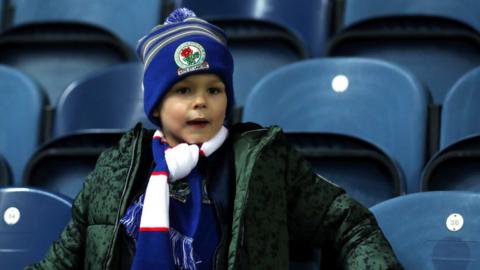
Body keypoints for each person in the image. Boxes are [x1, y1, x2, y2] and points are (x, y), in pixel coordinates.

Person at [27, 8, 403, 270]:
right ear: (156, 106)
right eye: (183, 90)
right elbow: (62, 260)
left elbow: (349, 225)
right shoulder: (116, 168)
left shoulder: (263, 161)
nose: (201, 102)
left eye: (215, 89)